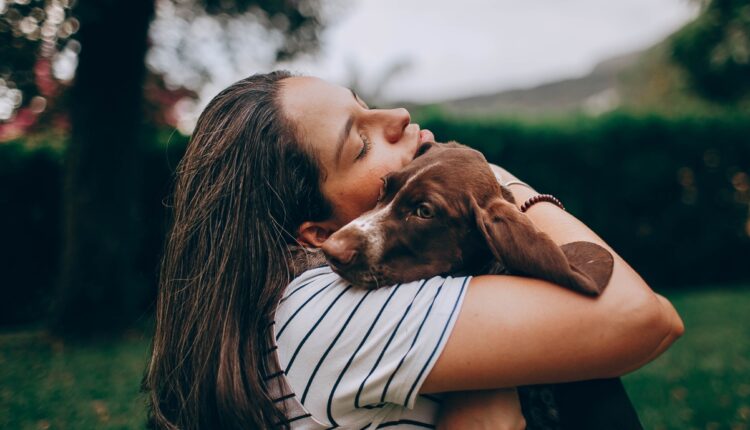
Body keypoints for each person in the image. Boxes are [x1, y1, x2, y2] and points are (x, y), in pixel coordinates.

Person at [143, 71, 684, 429]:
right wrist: (498, 185)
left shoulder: (382, 284)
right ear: (315, 235)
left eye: (364, 104)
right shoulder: (320, 310)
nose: (398, 115)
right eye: (361, 144)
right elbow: (644, 317)